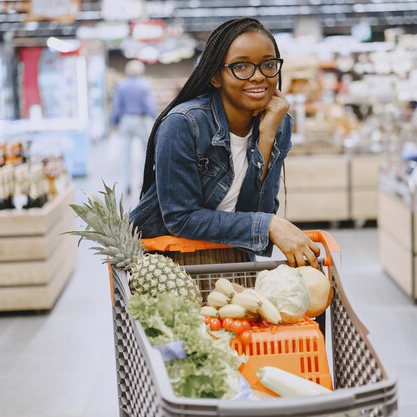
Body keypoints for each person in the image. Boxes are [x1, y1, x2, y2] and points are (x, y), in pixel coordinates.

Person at [129, 17, 320, 268]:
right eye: (242, 67)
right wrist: (269, 225)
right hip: (171, 262)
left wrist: (267, 137)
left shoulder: (278, 123)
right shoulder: (184, 124)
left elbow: (257, 210)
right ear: (216, 77)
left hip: (235, 260)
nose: (258, 77)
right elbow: (180, 218)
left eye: (268, 64)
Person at [111, 60, 156, 195]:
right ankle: (144, 182)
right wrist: (153, 119)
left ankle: (127, 184)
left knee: (125, 155)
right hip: (141, 120)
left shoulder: (121, 85)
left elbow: (116, 105)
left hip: (126, 120)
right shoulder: (145, 85)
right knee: (146, 153)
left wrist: (115, 121)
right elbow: (150, 106)